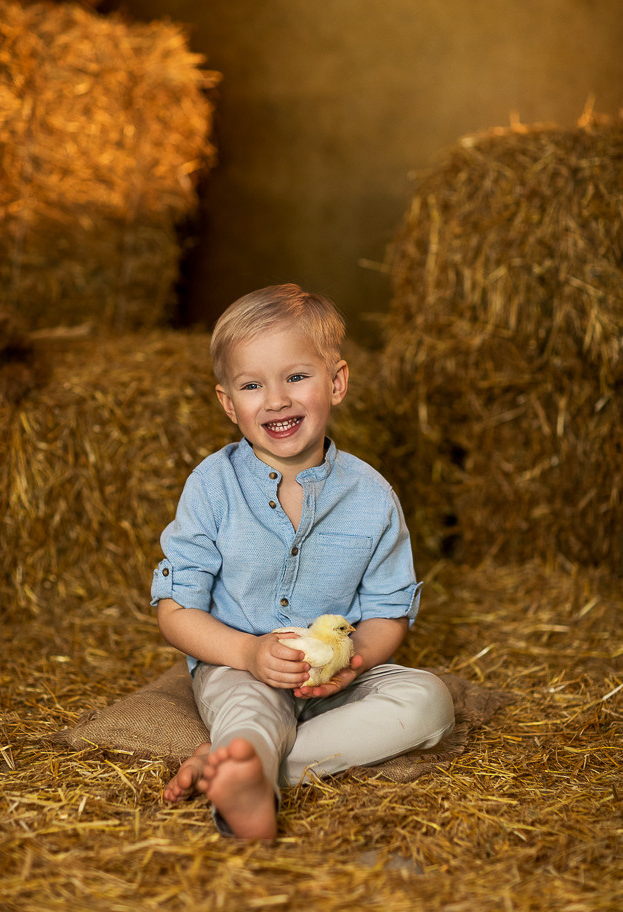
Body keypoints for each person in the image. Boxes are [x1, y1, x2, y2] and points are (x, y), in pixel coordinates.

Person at [151, 283, 454, 839]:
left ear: (336, 382)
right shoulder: (212, 487)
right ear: (227, 403)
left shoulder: (372, 496)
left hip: (334, 682)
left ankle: (242, 766)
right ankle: (246, 767)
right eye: (251, 384)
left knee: (430, 704)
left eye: (296, 377)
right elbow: (175, 611)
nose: (276, 399)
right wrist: (247, 650)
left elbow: (389, 612)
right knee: (252, 711)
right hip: (240, 668)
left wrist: (355, 661)